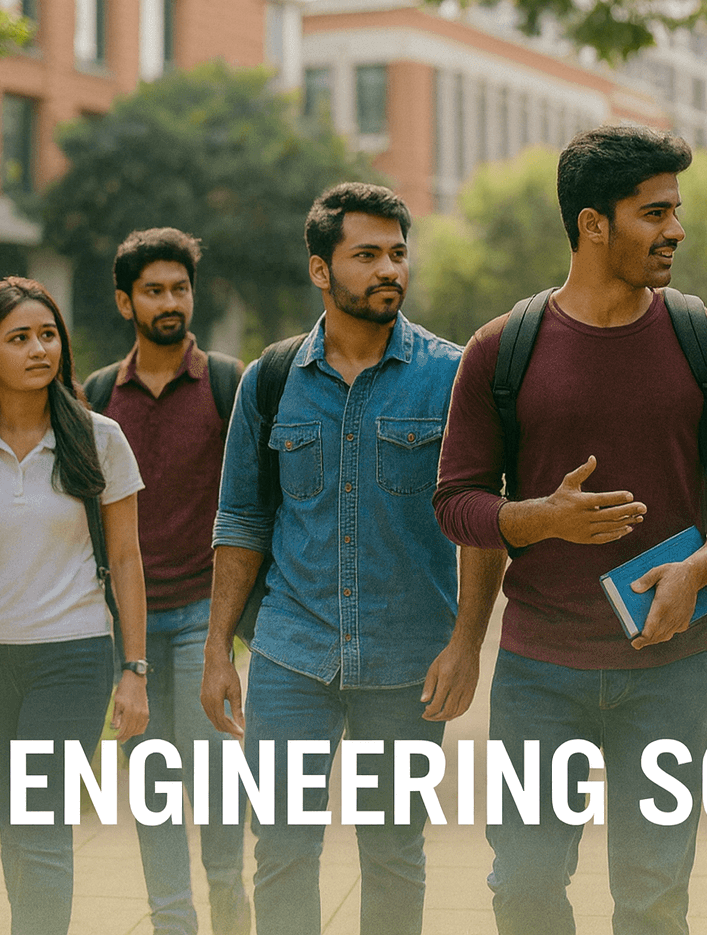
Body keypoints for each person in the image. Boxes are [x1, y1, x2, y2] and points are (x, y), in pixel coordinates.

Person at [433, 125, 707, 935]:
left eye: (676, 210)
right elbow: (456, 501)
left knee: (654, 899)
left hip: (674, 672)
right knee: (522, 887)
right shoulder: (501, 349)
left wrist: (698, 568)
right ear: (594, 223)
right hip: (537, 673)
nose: (676, 230)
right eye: (654, 212)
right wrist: (539, 518)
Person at [202, 182, 507, 935]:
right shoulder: (269, 380)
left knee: (395, 852)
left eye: (398, 253)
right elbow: (240, 519)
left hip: (411, 663)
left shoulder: (454, 374)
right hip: (289, 655)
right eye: (366, 255)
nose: (388, 270)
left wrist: (467, 645)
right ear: (320, 270)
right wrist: (216, 651)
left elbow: (484, 523)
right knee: (280, 849)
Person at [0, 277, 150, 935]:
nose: (39, 349)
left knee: (42, 827)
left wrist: (134, 670)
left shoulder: (99, 438)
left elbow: (125, 559)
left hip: (73, 656)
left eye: (48, 335)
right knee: (15, 829)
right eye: (19, 338)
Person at [83, 228, 250, 935]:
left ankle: (229, 907)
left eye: (180, 288)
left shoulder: (225, 382)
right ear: (126, 301)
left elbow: (252, 500)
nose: (170, 301)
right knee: (152, 794)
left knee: (216, 791)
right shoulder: (94, 396)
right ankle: (172, 922)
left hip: (205, 623)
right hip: (132, 633)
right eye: (154, 290)